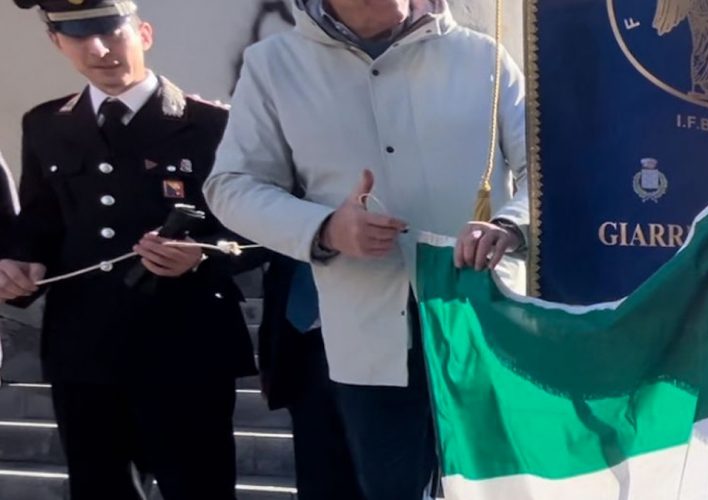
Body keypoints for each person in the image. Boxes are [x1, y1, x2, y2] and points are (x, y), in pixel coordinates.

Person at [203, 0, 530, 497]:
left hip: (484, 321)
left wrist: (510, 224)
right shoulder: (275, 65)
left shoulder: (482, 55)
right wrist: (326, 228)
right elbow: (231, 184)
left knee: (508, 487)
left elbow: (544, 171)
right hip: (367, 332)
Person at [0, 1, 256, 498]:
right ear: (57, 43)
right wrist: (17, 264)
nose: (98, 49)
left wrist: (203, 253)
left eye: (109, 31)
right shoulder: (46, 126)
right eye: (77, 36)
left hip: (186, 348)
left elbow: (261, 225)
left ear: (143, 33)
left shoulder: (213, 125)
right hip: (84, 351)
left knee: (199, 489)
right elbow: (40, 220)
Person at [257, 254, 363, 499]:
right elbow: (275, 284)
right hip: (303, 346)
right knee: (316, 472)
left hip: (372, 340)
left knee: (372, 473)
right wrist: (267, 361)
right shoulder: (289, 219)